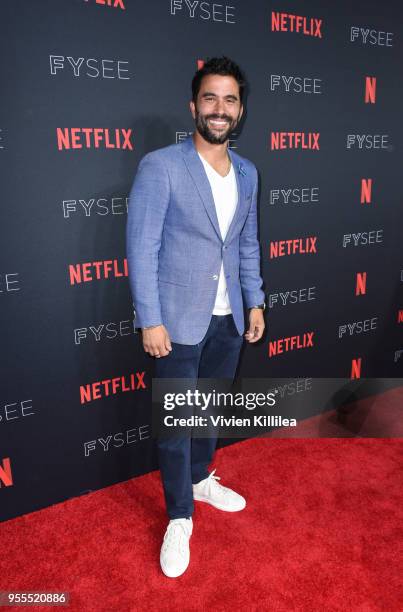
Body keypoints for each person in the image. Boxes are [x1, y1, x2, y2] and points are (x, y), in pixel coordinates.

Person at [126, 56, 266, 578]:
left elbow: (247, 243)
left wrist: (255, 301)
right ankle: (179, 515)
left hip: (229, 318)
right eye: (211, 97)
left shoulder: (249, 171)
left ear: (240, 109)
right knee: (176, 424)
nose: (220, 108)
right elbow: (141, 250)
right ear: (194, 106)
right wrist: (150, 320)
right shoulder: (161, 166)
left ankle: (203, 479)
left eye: (230, 99)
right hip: (177, 320)